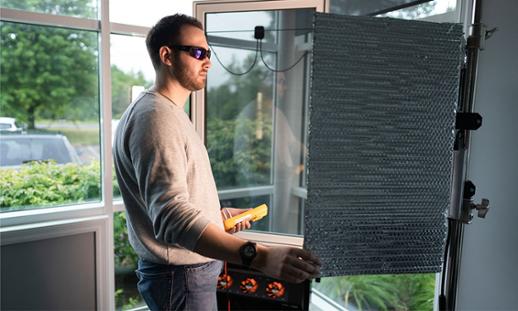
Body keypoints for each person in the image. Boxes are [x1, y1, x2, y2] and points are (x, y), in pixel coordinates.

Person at [113, 14, 320, 311]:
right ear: (166, 55)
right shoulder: (156, 117)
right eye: (197, 52)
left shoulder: (165, 113)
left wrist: (216, 216)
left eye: (209, 53)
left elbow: (170, 200)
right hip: (182, 277)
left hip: (183, 276)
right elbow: (171, 216)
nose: (207, 61)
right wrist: (260, 256)